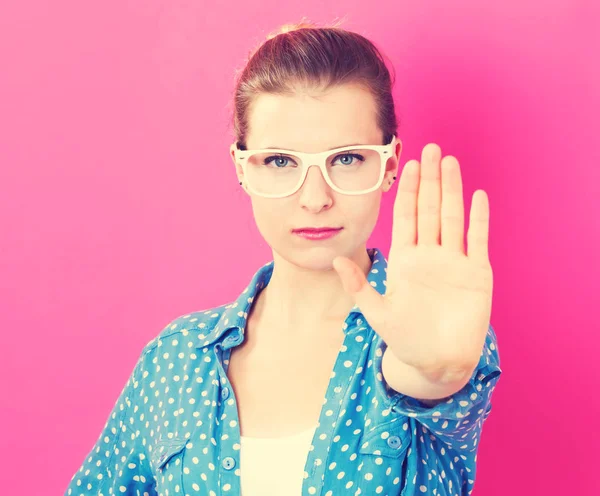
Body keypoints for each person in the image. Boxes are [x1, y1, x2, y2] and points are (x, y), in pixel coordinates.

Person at [65, 20, 502, 496]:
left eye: (347, 158)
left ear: (389, 164)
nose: (315, 198)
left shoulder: (433, 328)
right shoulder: (175, 360)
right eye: (280, 162)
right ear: (242, 168)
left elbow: (427, 374)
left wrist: (433, 376)